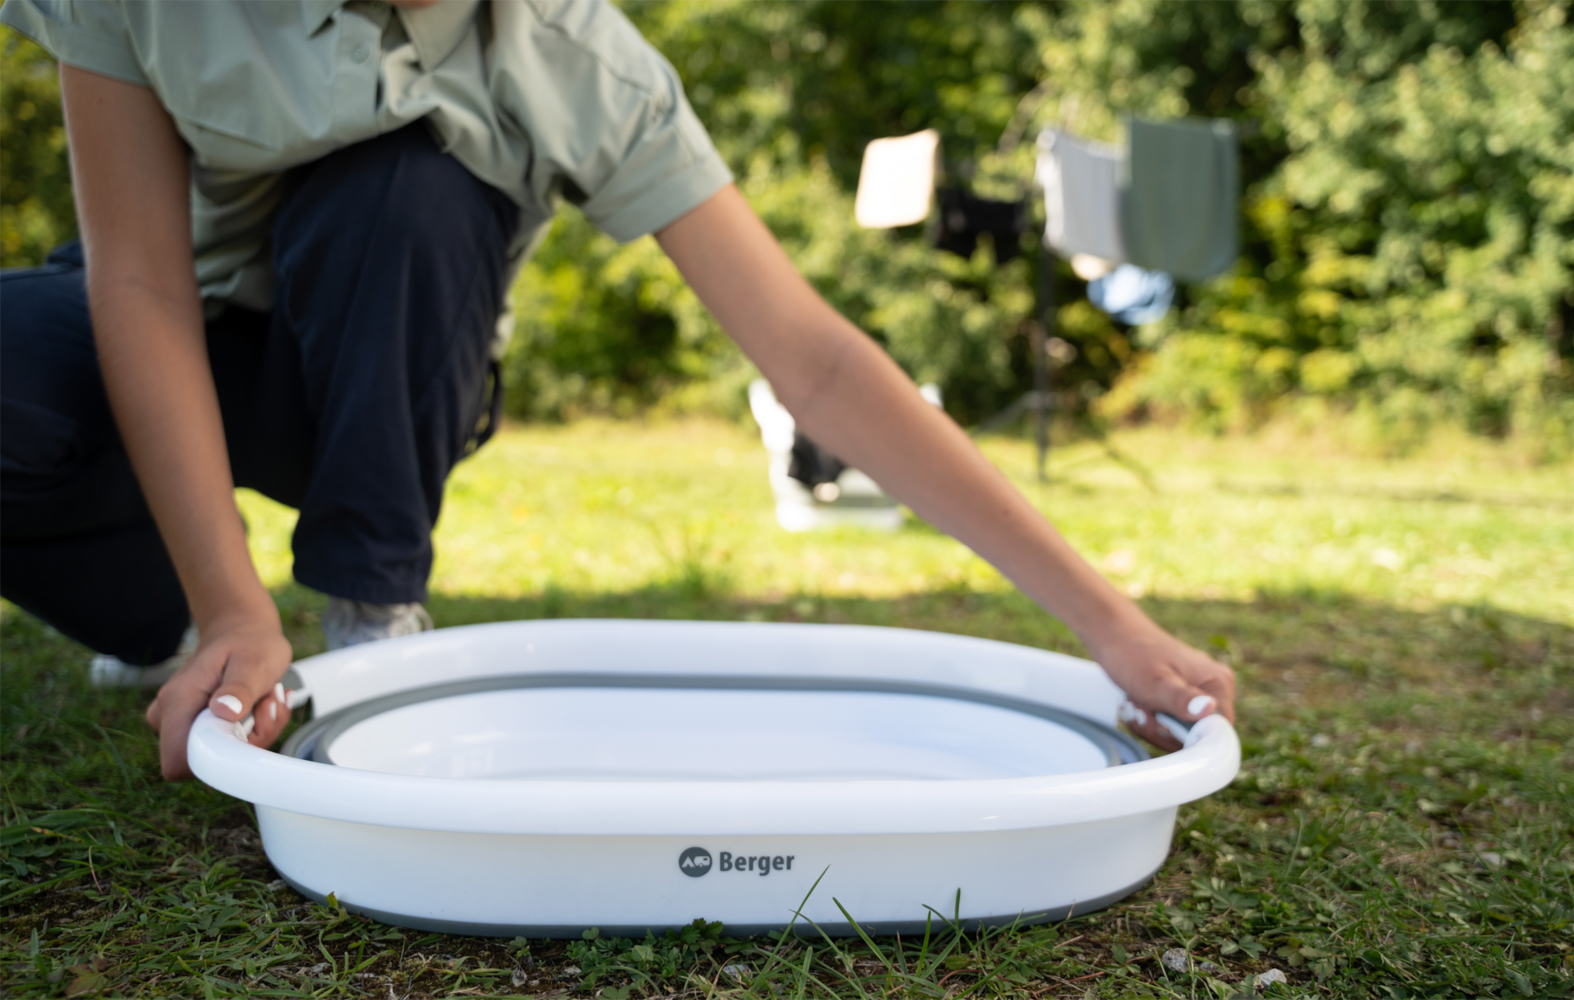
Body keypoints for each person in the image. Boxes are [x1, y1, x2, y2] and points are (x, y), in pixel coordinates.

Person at [0, 0, 1234, 781]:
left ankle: (369, 609)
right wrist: (226, 602)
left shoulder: (575, 50)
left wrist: (1110, 624)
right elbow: (140, 284)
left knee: (411, 186)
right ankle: (180, 628)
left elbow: (811, 359)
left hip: (376, 372)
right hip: (169, 318)